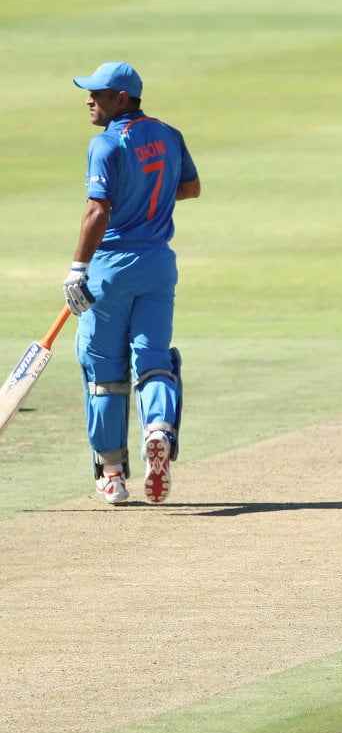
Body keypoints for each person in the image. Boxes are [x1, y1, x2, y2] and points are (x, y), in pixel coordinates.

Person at [63, 62, 200, 504]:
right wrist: (147, 194)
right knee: (154, 360)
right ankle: (158, 428)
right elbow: (191, 188)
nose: (89, 100)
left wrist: (78, 269)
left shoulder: (105, 143)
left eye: (98, 93)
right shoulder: (169, 134)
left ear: (122, 98)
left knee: (104, 372)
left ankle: (112, 473)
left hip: (110, 270)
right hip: (158, 266)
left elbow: (97, 209)